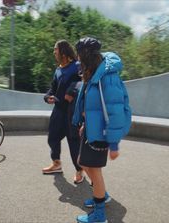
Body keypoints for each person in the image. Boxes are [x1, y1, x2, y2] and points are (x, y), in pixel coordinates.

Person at [72, 37, 131, 223]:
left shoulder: (107, 75)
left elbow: (114, 110)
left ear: (86, 55)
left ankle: (99, 216)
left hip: (103, 133)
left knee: (94, 170)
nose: (78, 60)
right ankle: (102, 194)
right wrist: (85, 124)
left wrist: (113, 143)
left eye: (79, 55)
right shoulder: (93, 71)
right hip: (92, 130)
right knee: (83, 162)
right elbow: (93, 105)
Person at [42, 39, 84, 184]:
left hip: (72, 111)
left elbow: (82, 81)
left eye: (56, 49)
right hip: (58, 110)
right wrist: (47, 97)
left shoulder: (77, 66)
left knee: (73, 142)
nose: (54, 52)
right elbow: (52, 88)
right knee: (52, 137)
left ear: (64, 51)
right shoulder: (58, 70)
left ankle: (80, 170)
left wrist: (72, 90)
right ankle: (57, 163)